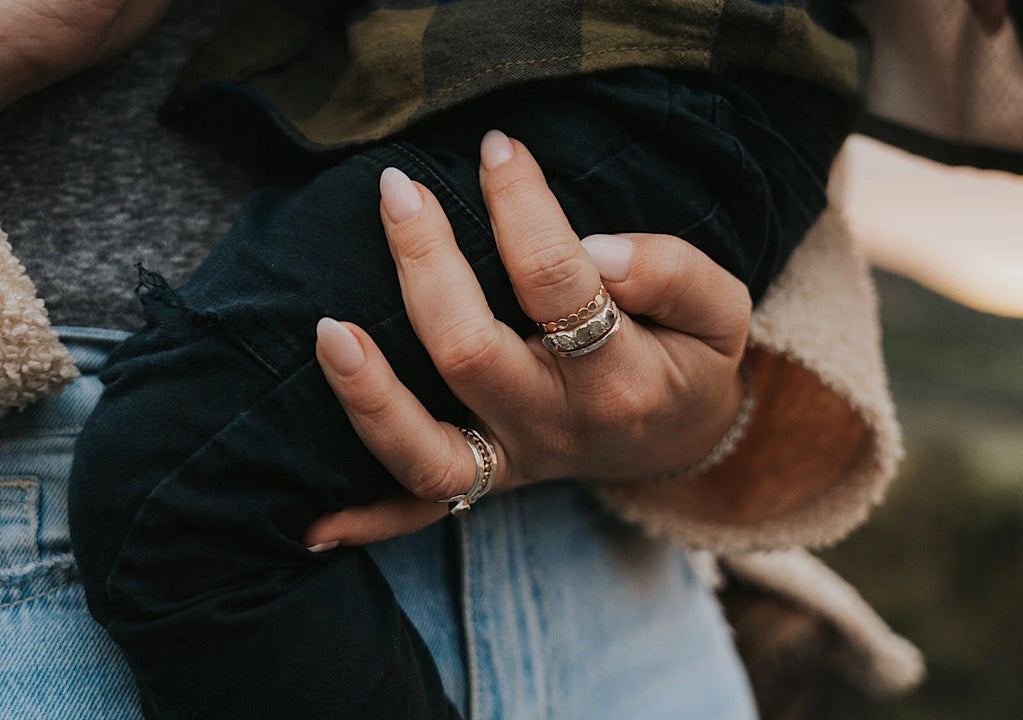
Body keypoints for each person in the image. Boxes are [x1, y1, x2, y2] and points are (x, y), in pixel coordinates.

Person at [1, 1, 915, 718]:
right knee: (179, 487)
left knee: (179, 483)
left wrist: (695, 407)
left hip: (609, 565)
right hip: (68, 522)